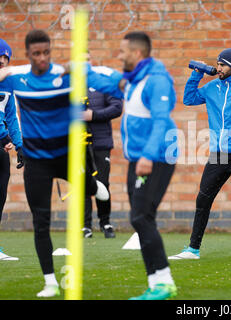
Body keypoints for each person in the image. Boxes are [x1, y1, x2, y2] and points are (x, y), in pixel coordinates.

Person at [0, 30, 110, 297]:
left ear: (50, 52)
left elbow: (106, 81)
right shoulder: (16, 80)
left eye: (45, 53)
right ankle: (49, 281)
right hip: (37, 161)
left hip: (63, 155)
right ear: (28, 55)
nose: (41, 58)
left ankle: (92, 187)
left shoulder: (61, 77)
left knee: (88, 187)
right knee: (41, 221)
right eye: (35, 54)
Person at [86, 31, 179, 300]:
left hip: (157, 155)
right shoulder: (133, 81)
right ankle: (156, 284)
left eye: (123, 51)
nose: (119, 55)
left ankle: (165, 282)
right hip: (138, 157)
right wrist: (72, 71)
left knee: (140, 217)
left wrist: (148, 156)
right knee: (139, 219)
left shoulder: (156, 81)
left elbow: (161, 121)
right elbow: (105, 81)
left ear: (137, 54)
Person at [168, 49, 231, 262]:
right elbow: (189, 99)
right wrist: (196, 74)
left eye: (223, 65)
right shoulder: (213, 87)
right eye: (218, 64)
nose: (219, 68)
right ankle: (193, 249)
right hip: (218, 155)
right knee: (203, 199)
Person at [82, 67, 123, 239]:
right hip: (78, 143)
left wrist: (93, 115)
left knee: (102, 182)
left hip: (100, 143)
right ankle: (85, 226)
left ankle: (105, 222)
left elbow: (117, 107)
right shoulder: (69, 84)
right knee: (82, 184)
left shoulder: (102, 83)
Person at [0, 39, 24, 261]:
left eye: (4, 62)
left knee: (0, 193)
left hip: (1, 145)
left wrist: (19, 144)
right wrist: (3, 136)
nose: (2, 66)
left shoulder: (8, 84)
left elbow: (10, 116)